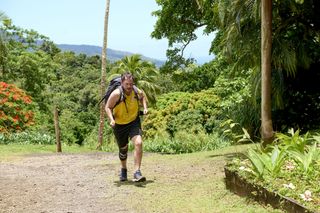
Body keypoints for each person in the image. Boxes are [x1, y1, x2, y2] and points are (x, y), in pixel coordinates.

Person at [105, 72, 148, 182]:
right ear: (122, 83)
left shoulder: (135, 90)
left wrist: (145, 107)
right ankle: (123, 169)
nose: (129, 86)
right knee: (123, 149)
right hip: (119, 125)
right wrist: (111, 119)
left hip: (133, 121)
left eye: (131, 84)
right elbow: (108, 107)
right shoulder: (116, 94)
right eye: (127, 84)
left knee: (138, 143)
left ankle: (137, 172)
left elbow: (142, 96)